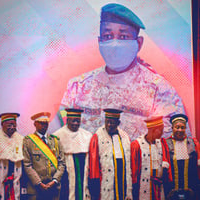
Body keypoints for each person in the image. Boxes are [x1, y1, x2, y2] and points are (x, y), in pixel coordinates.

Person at [59, 3, 189, 140]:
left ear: (138, 43)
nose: (115, 44)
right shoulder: (78, 86)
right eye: (108, 36)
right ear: (99, 41)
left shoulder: (159, 89)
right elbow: (60, 140)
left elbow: (178, 144)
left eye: (123, 37)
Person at [89, 109, 132, 200]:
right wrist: (94, 188)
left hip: (122, 179)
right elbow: (93, 165)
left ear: (118, 123)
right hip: (106, 181)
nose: (109, 125)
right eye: (107, 122)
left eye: (112, 122)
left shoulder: (125, 137)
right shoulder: (98, 137)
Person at [23, 112, 65, 200]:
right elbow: (27, 165)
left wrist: (55, 180)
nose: (44, 125)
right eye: (41, 123)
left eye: (46, 123)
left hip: (53, 187)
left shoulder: (55, 141)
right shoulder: (28, 141)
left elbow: (62, 163)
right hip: (35, 188)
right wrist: (39, 183)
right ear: (35, 124)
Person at [52, 108, 92, 200]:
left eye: (78, 121)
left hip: (83, 173)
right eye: (73, 121)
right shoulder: (57, 136)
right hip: (65, 176)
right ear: (67, 120)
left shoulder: (87, 135)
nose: (75, 123)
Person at [0, 113, 25, 200]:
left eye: (14, 124)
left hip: (16, 177)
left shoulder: (21, 139)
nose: (12, 127)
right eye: (9, 125)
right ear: (2, 124)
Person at [131, 116, 172, 200]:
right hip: (143, 186)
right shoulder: (137, 145)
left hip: (159, 187)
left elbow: (166, 167)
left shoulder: (162, 143)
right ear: (153, 130)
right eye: (160, 130)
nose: (162, 132)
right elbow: (133, 171)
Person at [164, 114, 200, 199]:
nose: (180, 130)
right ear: (172, 128)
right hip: (171, 190)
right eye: (177, 127)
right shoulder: (165, 143)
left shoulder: (192, 143)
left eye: (182, 127)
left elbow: (195, 169)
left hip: (191, 189)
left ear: (185, 129)